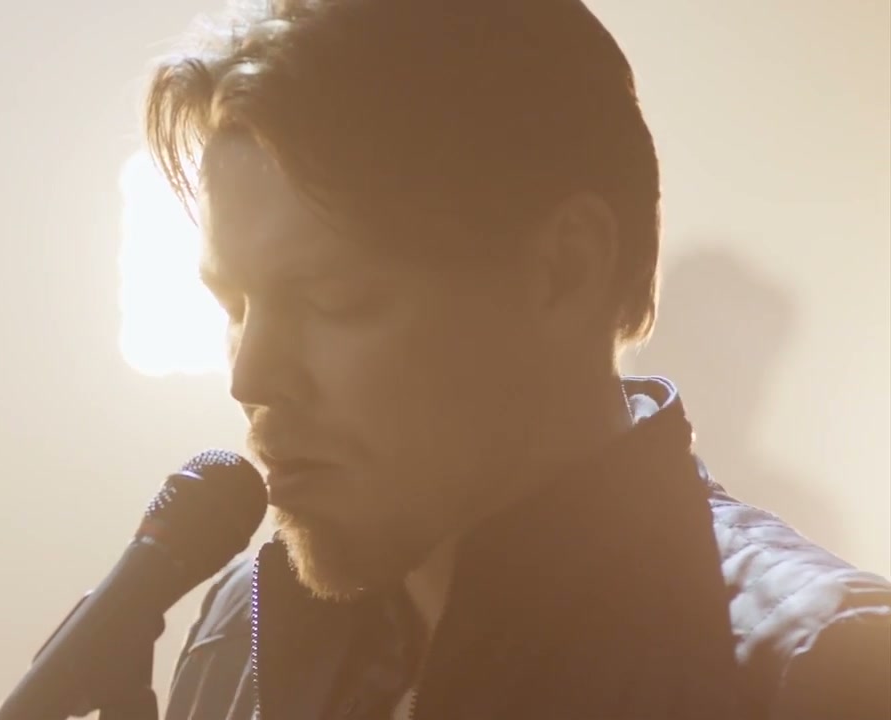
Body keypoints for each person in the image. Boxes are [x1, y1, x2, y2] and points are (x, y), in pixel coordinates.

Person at [141, 1, 891, 718]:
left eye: (334, 300)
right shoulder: (239, 634)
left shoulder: (820, 676)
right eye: (234, 308)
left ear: (564, 270)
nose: (250, 377)